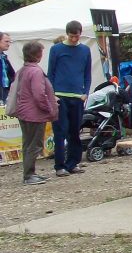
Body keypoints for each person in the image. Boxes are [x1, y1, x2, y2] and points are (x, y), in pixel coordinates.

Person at [48, 20, 92, 177]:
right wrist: (52, 93)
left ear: (81, 33)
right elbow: (51, 73)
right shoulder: (56, 49)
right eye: (72, 36)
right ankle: (59, 165)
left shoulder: (85, 50)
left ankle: (73, 162)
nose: (74, 39)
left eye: (77, 36)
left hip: (77, 96)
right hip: (60, 96)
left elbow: (87, 74)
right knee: (60, 131)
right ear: (67, 34)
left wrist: (86, 92)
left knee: (74, 131)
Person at [10, 41, 57, 185]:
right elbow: (38, 94)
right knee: (34, 144)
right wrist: (48, 108)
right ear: (38, 54)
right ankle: (29, 175)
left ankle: (30, 173)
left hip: (24, 111)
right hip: (34, 113)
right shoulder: (36, 71)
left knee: (27, 143)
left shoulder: (23, 70)